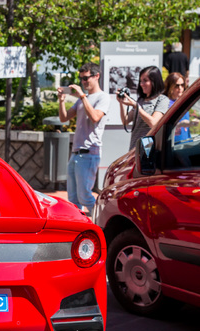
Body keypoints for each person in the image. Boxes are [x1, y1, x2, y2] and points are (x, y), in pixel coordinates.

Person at [57, 62, 110, 217]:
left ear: (96, 76)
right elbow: (64, 118)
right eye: (81, 79)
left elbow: (95, 117)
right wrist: (61, 100)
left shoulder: (103, 97)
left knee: (85, 196)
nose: (83, 82)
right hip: (76, 152)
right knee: (73, 199)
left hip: (89, 152)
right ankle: (79, 226)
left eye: (86, 78)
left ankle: (101, 222)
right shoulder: (83, 99)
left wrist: (82, 95)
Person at [118, 65, 170, 151]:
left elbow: (153, 123)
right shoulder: (141, 100)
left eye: (145, 81)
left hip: (149, 150)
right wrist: (121, 102)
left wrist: (137, 107)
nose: (141, 84)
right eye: (140, 81)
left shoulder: (162, 99)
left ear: (155, 81)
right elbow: (125, 121)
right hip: (134, 148)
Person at [164, 72, 198, 143]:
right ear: (170, 86)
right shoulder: (165, 103)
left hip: (185, 143)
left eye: (182, 85)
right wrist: (180, 125)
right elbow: (164, 127)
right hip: (172, 144)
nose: (180, 88)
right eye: (177, 86)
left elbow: (186, 129)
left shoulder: (183, 101)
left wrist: (191, 123)